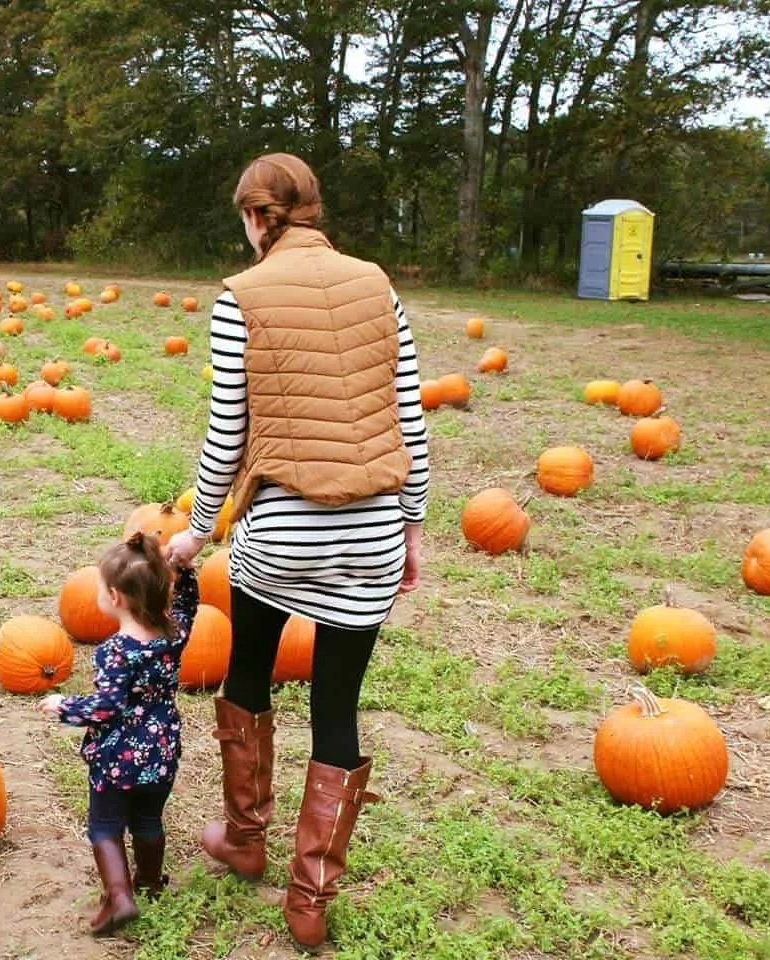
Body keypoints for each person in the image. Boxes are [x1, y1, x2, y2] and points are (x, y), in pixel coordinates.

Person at [165, 152, 430, 950]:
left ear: (255, 219)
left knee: (248, 673)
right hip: (371, 532)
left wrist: (199, 528)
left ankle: (245, 840)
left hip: (280, 536)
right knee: (337, 710)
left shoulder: (240, 296)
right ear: (314, 211)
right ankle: (310, 900)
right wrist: (410, 527)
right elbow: (410, 422)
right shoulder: (377, 284)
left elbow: (226, 437)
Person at [39, 532, 199, 936]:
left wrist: (65, 706)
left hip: (117, 755)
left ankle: (119, 896)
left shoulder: (114, 651)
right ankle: (149, 881)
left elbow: (107, 706)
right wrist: (186, 573)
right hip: (161, 750)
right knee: (148, 819)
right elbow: (187, 608)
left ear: (114, 597)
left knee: (105, 826)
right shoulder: (173, 636)